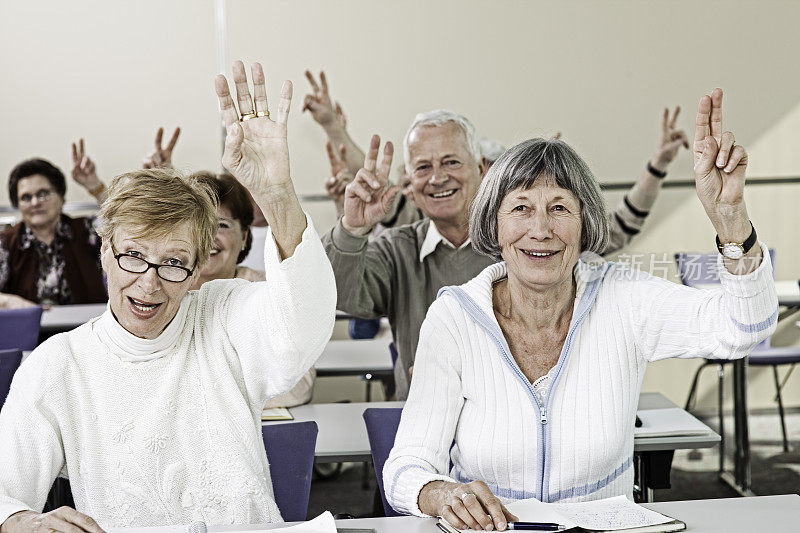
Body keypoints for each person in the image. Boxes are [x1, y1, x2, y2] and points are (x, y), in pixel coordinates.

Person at [382, 89, 777, 530]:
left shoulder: (624, 299)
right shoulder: (454, 318)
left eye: (559, 208)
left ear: (585, 222)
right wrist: (439, 493)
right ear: (493, 223)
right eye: (521, 209)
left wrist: (729, 218)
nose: (541, 229)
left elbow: (747, 327)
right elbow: (406, 467)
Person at [0, 60, 336, 530]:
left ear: (199, 266)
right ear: (104, 253)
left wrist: (276, 190)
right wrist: (17, 519)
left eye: (174, 262)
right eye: (133, 256)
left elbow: (304, 324)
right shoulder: (59, 365)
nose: (150, 283)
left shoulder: (224, 314)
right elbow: (5, 487)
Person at [323, 107, 689, 400]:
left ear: (483, 169)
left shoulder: (529, 244)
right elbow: (336, 292)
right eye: (423, 167)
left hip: (520, 431)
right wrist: (352, 228)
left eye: (451, 162)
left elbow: (615, 232)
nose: (437, 178)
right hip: (424, 431)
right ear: (409, 183)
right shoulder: (398, 249)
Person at [190, 171, 315, 407]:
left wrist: (213, 398)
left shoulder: (269, 292)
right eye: (198, 225)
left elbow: (300, 386)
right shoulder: (163, 291)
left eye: (222, 225)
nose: (209, 237)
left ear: (245, 237)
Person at [0, 157, 106, 308]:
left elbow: (125, 223)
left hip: (87, 327)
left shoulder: (87, 230)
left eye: (43, 193)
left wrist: (94, 185)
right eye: (26, 197)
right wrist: (8, 301)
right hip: (29, 330)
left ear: (62, 198)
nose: (35, 203)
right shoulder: (5, 244)